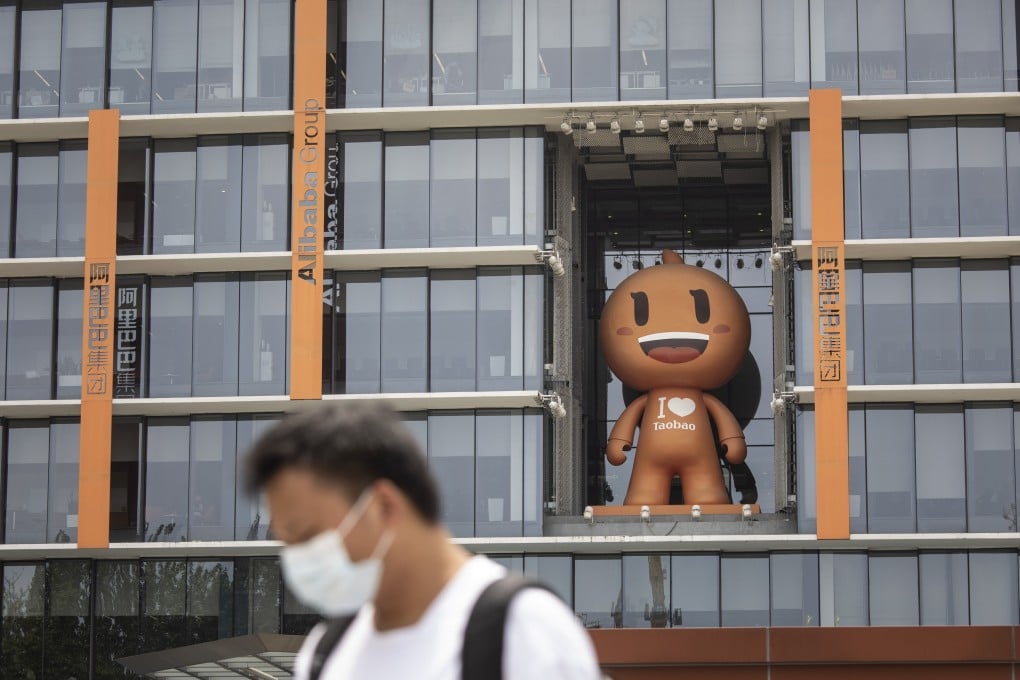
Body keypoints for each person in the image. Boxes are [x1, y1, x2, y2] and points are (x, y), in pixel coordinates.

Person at [244, 400, 601, 680]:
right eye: (287, 543)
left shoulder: (520, 631)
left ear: (383, 506)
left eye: (309, 535)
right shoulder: (326, 652)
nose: (299, 560)